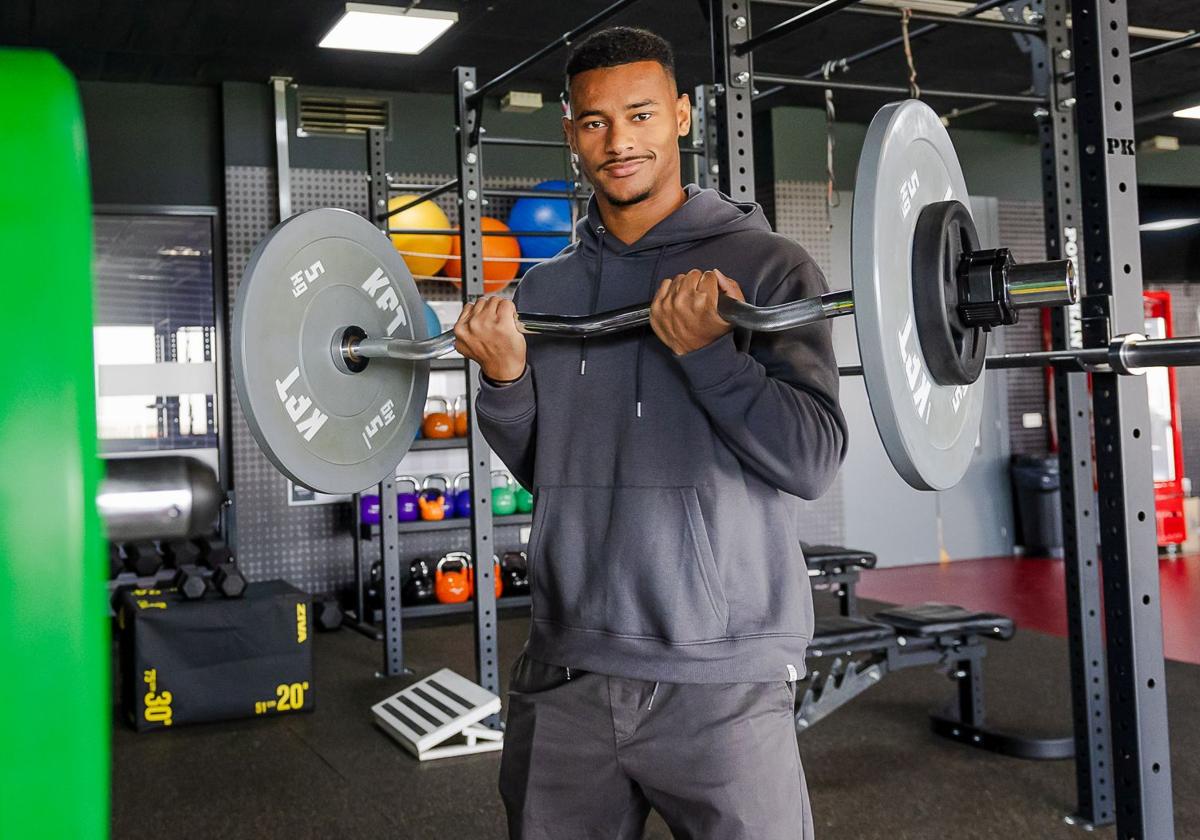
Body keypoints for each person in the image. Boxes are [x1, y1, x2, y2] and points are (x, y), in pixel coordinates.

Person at [453, 26, 846, 840]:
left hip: (722, 679)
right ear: (570, 132)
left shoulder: (767, 266)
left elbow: (811, 460)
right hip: (566, 667)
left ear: (682, 116)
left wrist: (711, 356)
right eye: (595, 122)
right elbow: (547, 467)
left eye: (639, 115)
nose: (619, 141)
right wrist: (504, 379)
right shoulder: (548, 288)